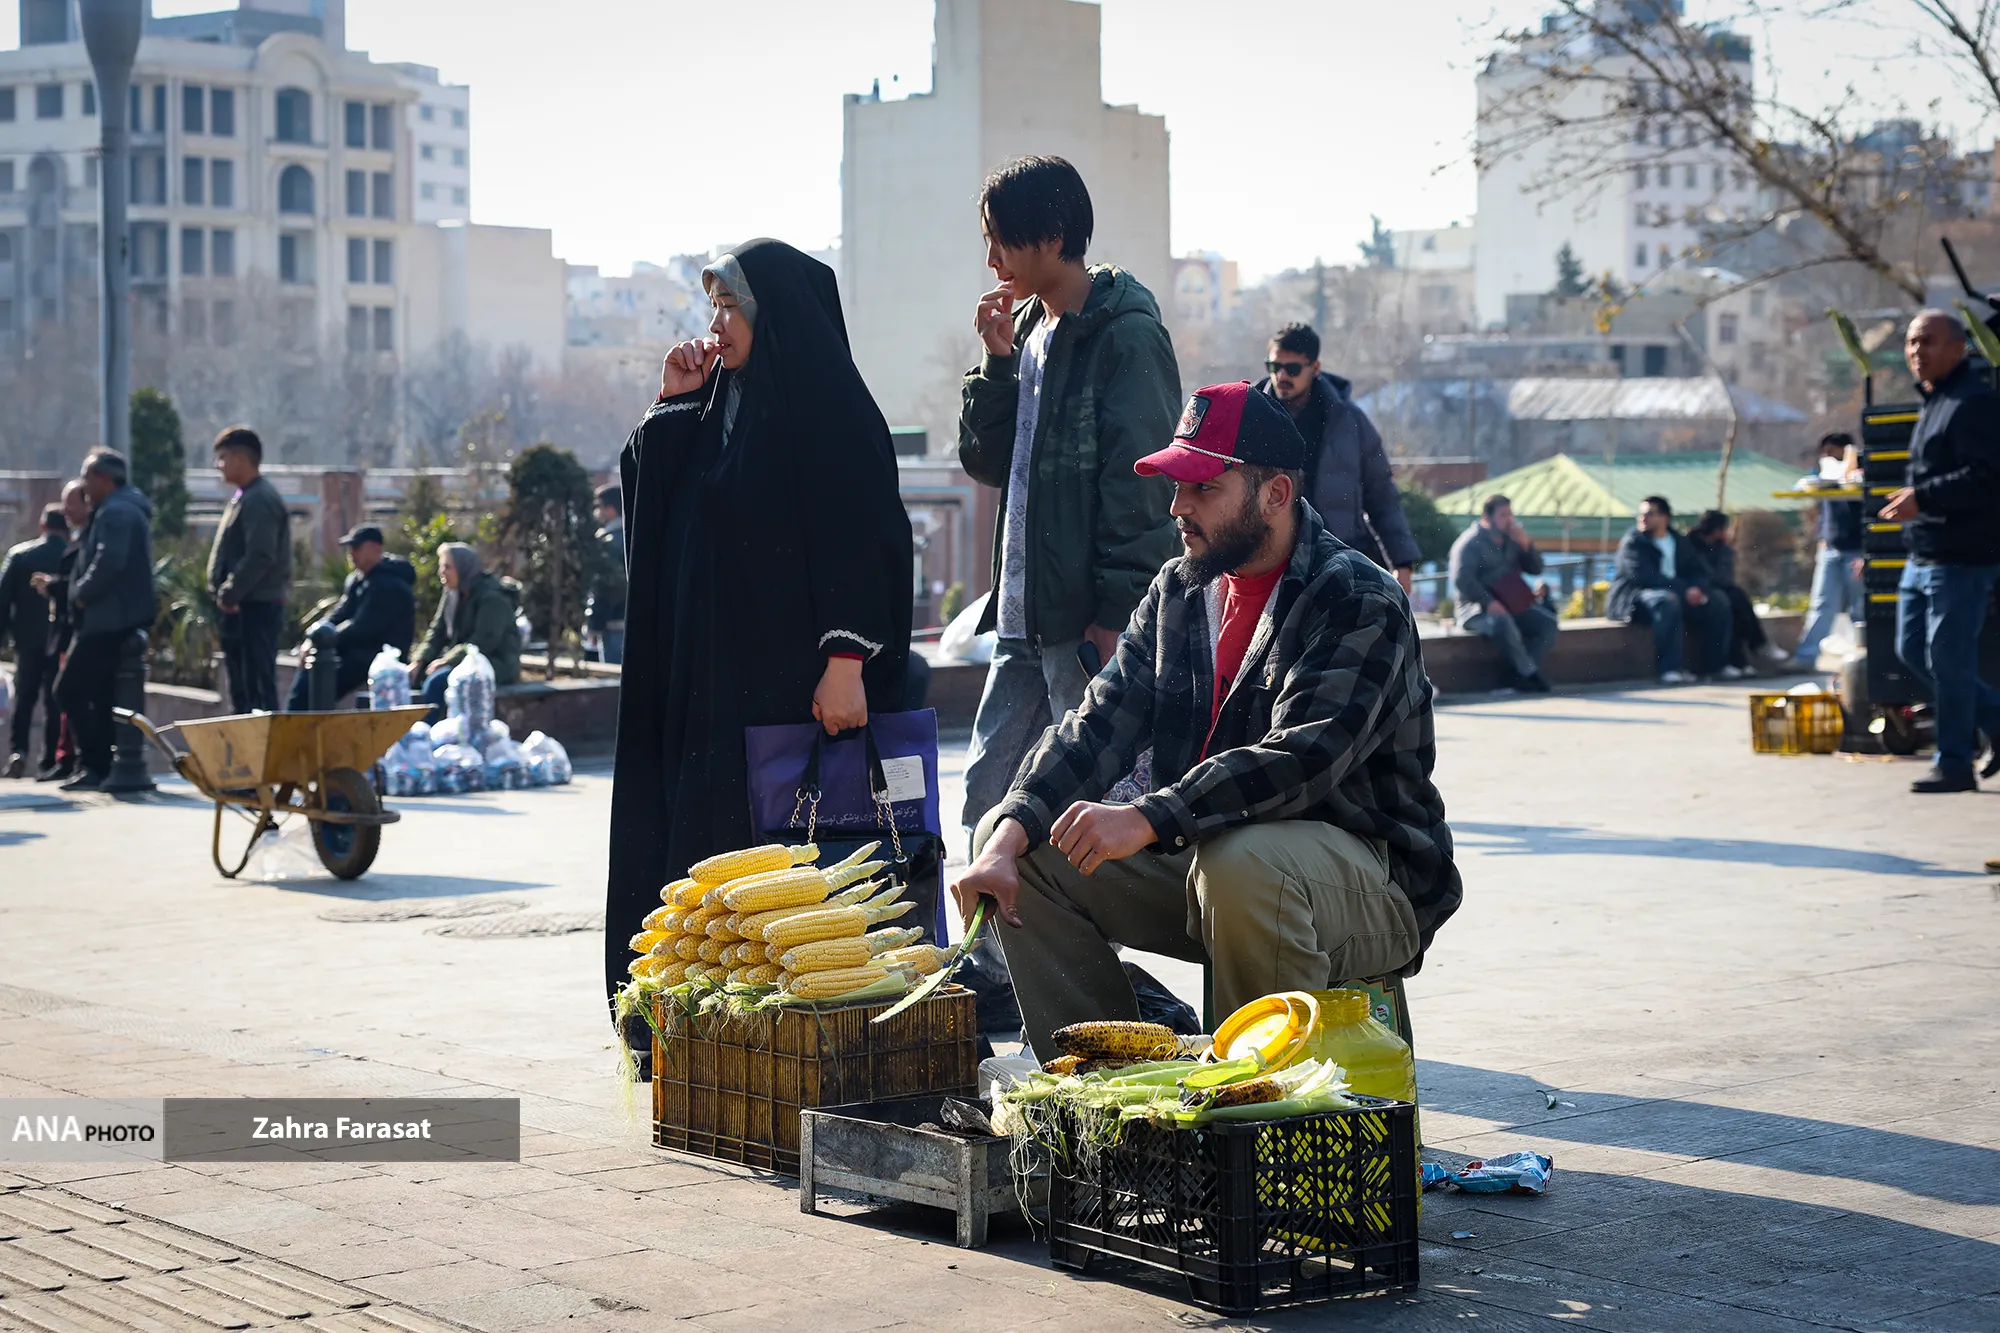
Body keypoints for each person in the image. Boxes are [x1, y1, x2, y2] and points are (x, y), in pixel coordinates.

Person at [952, 382, 1462, 1059]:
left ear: (1275, 493)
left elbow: (1301, 760)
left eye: (1202, 487)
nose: (1178, 507)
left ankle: (1258, 1106)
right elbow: (1095, 726)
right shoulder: (1179, 590)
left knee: (1242, 866)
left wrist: (1148, 816)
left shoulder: (1357, 597)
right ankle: (1105, 1090)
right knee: (1023, 851)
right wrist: (1009, 829)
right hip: (1214, 856)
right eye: (1176, 485)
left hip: (1369, 878)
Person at [606, 238, 912, 1003]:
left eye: (730, 306)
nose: (715, 324)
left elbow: (863, 535)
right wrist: (673, 405)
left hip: (792, 692)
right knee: (710, 872)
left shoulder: (832, 410)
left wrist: (846, 659)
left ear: (774, 313)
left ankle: (793, 1027)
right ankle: (701, 1022)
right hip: (711, 691)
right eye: (712, 306)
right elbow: (670, 520)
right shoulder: (719, 405)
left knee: (781, 874)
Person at [958, 155, 1181, 836]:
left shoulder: (1125, 335)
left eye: (1002, 240)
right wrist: (996, 363)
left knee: (1090, 803)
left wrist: (1119, 610)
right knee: (987, 797)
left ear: (1053, 235)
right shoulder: (1024, 330)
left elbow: (1141, 481)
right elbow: (985, 463)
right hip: (1021, 615)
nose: (992, 260)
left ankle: (1088, 915)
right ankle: (996, 916)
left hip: (1084, 620)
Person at [1879, 309, 2000, 793]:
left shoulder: (1974, 402)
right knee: (1912, 649)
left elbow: (1985, 476)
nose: (1916, 351)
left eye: (1927, 341)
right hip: (1923, 551)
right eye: (1911, 342)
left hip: (1961, 556)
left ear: (1958, 347)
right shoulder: (1935, 399)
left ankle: (1953, 764)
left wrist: (1923, 498)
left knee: (1950, 662)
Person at [1256, 323, 1420, 593]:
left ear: (1315, 368)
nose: (1281, 375)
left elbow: (1381, 492)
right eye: (1273, 366)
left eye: (1292, 368)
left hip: (1340, 559)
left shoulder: (1349, 421)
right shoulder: (1253, 418)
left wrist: (1402, 561)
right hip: (1270, 563)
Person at [51, 451, 154, 791]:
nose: (83, 485)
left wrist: (81, 593)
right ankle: (104, 766)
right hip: (112, 618)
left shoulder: (117, 511)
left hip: (107, 620)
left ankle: (95, 764)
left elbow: (109, 560)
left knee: (68, 689)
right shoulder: (119, 508)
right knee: (102, 693)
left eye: (87, 477)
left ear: (104, 479)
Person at [205, 427, 292, 714]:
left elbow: (260, 554)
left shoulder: (260, 499)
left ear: (241, 459)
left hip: (255, 607)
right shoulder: (246, 496)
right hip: (242, 607)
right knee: (242, 691)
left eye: (223, 457)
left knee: (256, 692)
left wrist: (231, 592)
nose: (218, 465)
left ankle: (262, 743)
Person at [286, 525, 417, 711]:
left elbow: (363, 627)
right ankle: (294, 718)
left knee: (318, 679)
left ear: (375, 549)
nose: (351, 553)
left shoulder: (390, 584)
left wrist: (326, 639)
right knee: (312, 670)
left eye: (356, 547)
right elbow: (340, 613)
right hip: (354, 649)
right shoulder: (357, 579)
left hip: (380, 655)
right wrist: (314, 637)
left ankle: (299, 719)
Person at [1606, 495, 1731, 684]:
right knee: (1667, 600)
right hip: (1636, 598)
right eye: (1641, 514)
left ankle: (1714, 667)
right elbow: (1644, 576)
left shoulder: (1679, 541)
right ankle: (1670, 669)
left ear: (1664, 517)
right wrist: (1684, 590)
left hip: (1678, 594)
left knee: (1719, 602)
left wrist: (1697, 588)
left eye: (1649, 514)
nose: (1643, 518)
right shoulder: (1634, 542)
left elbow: (1698, 570)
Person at [1448, 494, 1556, 693]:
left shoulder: (1512, 540)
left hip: (1511, 605)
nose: (1509, 520)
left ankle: (1520, 674)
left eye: (1510, 514)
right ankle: (1530, 675)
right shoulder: (1469, 543)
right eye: (1503, 515)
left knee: (1546, 623)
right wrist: (1488, 602)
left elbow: (1536, 569)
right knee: (1502, 622)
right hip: (1476, 610)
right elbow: (1462, 579)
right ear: (1487, 517)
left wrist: (1526, 546)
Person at [411, 543, 522, 723]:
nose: (441, 572)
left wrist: (447, 660)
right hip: (463, 659)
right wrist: (419, 661)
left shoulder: (492, 597)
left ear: (464, 568)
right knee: (415, 676)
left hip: (494, 662)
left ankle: (431, 732)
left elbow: (484, 641)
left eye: (447, 567)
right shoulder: (452, 593)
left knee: (438, 681)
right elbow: (437, 632)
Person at [0, 505, 69, 778]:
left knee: (24, 698)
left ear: (43, 526)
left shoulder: (19, 555)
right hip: (60, 640)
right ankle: (49, 760)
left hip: (27, 640)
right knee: (55, 700)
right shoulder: (72, 555)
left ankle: (18, 752)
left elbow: (2, 601)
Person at [29, 481, 91, 781]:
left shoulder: (91, 539)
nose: (65, 510)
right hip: (67, 634)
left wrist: (53, 586)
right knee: (61, 697)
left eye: (70, 503)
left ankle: (80, 759)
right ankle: (67, 759)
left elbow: (80, 584)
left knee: (66, 693)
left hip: (80, 632)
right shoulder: (80, 539)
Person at [1790, 432, 1865, 669]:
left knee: (1859, 607)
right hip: (1831, 547)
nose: (1827, 455)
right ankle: (1806, 657)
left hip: (1856, 549)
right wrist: (1822, 536)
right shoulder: (1825, 476)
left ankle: (1862, 658)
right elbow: (1822, 509)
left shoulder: (1859, 472)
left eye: (1832, 450)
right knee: (1822, 604)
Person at [1686, 510, 1790, 679]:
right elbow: (1698, 572)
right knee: (1733, 600)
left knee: (1735, 602)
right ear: (1718, 530)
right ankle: (1756, 648)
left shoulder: (1723, 548)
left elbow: (1724, 575)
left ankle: (1742, 660)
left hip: (1718, 588)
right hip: (1702, 590)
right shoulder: (1690, 545)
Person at [584, 484, 627, 666]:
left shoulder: (608, 543)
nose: (596, 513)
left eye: (598, 507)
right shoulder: (634, 536)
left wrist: (594, 625)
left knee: (614, 676)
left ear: (610, 510)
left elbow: (602, 587)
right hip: (636, 619)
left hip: (613, 624)